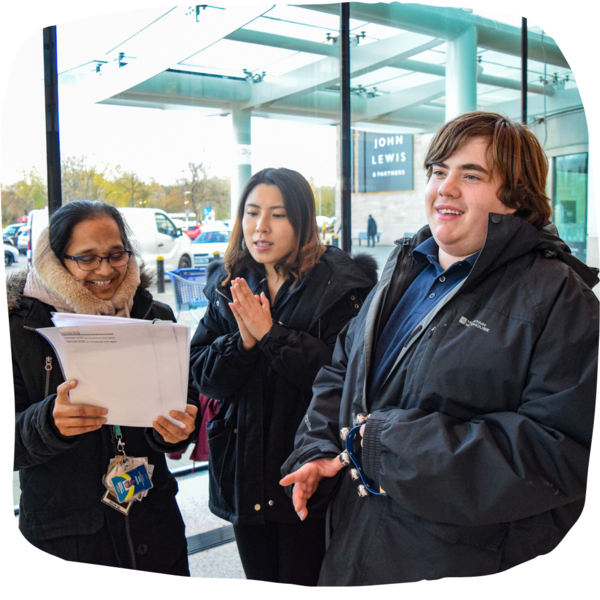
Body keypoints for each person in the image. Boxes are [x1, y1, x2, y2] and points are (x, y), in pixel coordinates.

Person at [281, 112, 598, 586]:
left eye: (471, 175)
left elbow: (560, 451)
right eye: (438, 171)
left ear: (516, 197)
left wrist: (389, 448)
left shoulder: (560, 298)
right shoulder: (404, 267)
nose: (446, 187)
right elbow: (342, 369)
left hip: (457, 563)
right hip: (355, 545)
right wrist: (319, 447)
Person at [189, 167, 377, 585]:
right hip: (244, 475)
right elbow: (204, 376)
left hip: (308, 474)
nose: (261, 227)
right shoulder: (229, 284)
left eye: (277, 214)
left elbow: (344, 380)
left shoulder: (342, 286)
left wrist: (272, 335)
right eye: (252, 212)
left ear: (303, 221)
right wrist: (243, 342)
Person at [9, 200, 199, 575]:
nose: (105, 270)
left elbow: (184, 403)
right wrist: (48, 423)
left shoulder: (155, 317)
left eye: (116, 255)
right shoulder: (19, 329)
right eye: (87, 258)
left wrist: (177, 430)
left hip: (155, 531)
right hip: (65, 545)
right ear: (57, 260)